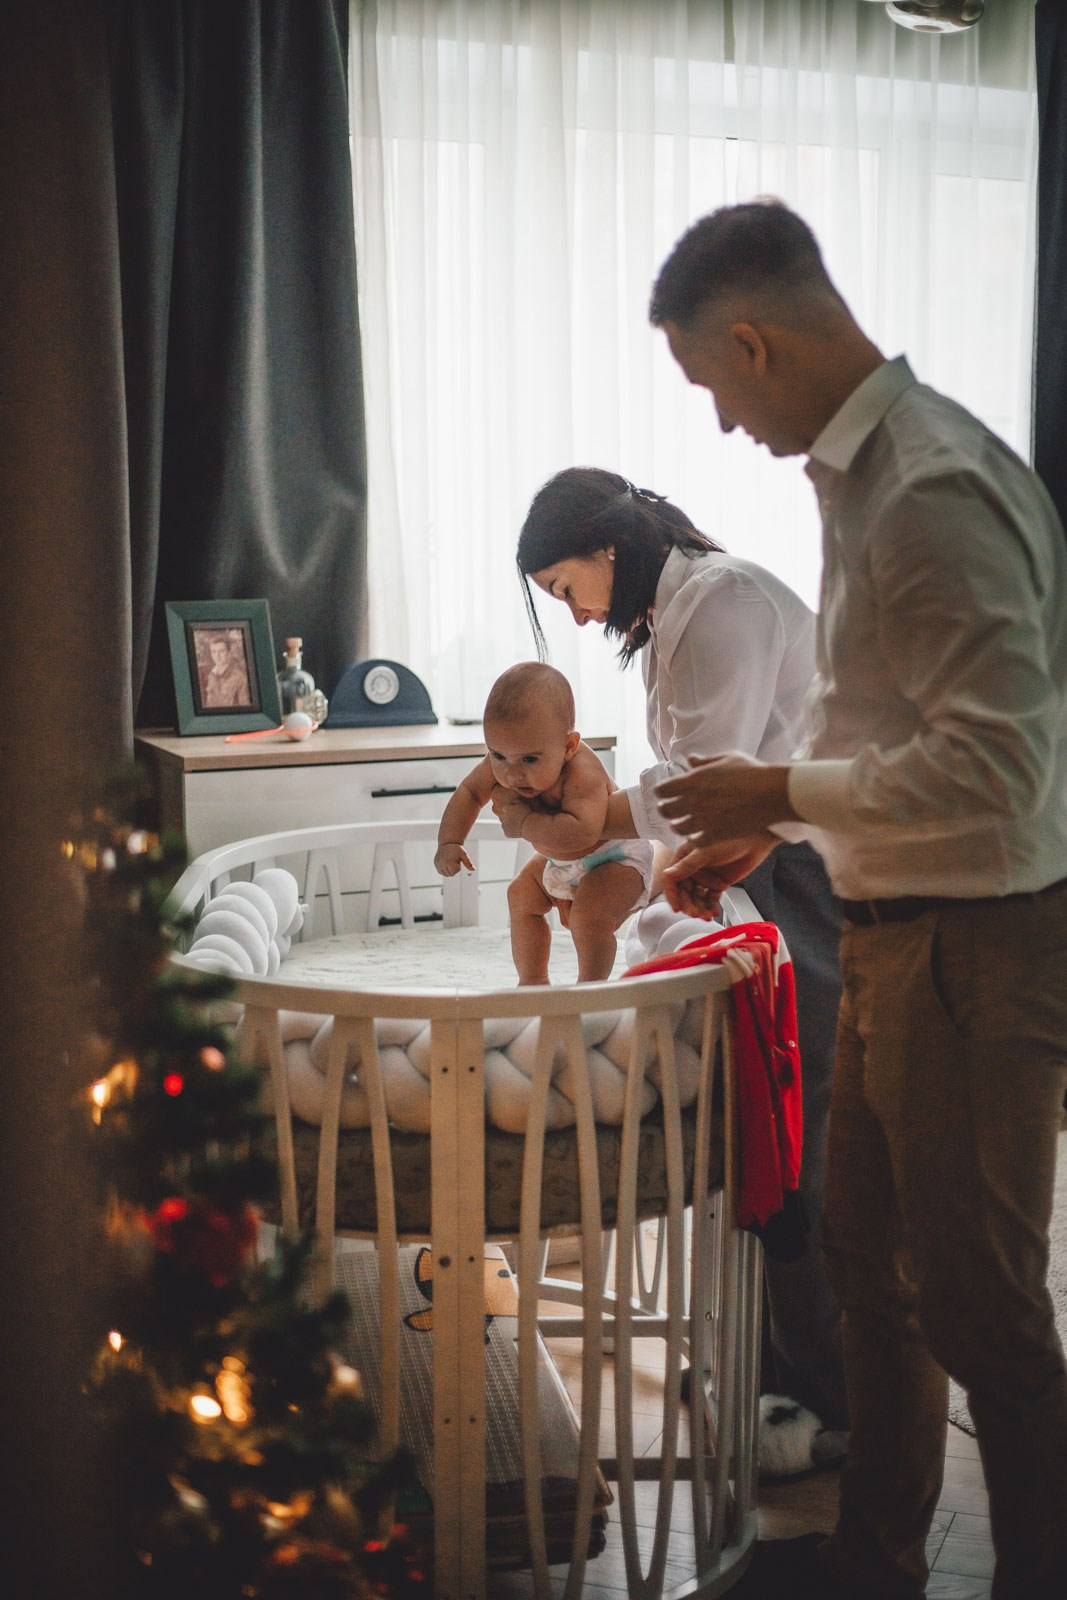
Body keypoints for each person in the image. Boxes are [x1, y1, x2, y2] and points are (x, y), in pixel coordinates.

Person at [649, 199, 1067, 1600]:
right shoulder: (865, 479)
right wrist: (764, 826)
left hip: (972, 948)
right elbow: (884, 724)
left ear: (755, 343)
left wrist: (773, 795)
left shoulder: (929, 487)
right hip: (897, 937)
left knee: (983, 1313)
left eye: (710, 384)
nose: (717, 424)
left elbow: (995, 768)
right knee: (865, 1269)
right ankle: (873, 1560)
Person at [512, 465, 850, 1456]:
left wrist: (583, 830)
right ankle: (767, 1367)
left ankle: (826, 1398)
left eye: (565, 589)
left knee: (794, 1145)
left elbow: (702, 790)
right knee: (763, 1145)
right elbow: (687, 803)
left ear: (606, 553)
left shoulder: (720, 603)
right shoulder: (681, 615)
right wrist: (586, 864)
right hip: (763, 865)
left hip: (799, 877)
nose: (573, 618)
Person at [434, 661, 653, 984]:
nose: (511, 773)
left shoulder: (583, 773)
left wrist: (524, 822)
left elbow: (582, 832)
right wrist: (450, 841)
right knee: (520, 894)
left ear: (568, 746)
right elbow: (469, 792)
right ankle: (532, 981)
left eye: (529, 760)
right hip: (559, 859)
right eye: (497, 756)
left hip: (615, 858)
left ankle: (590, 992)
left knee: (588, 918)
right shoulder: (509, 758)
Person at [200, 633, 252, 708]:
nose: (217, 656)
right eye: (213, 651)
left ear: (229, 653)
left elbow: (245, 709)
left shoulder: (240, 678)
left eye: (221, 651)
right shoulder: (211, 676)